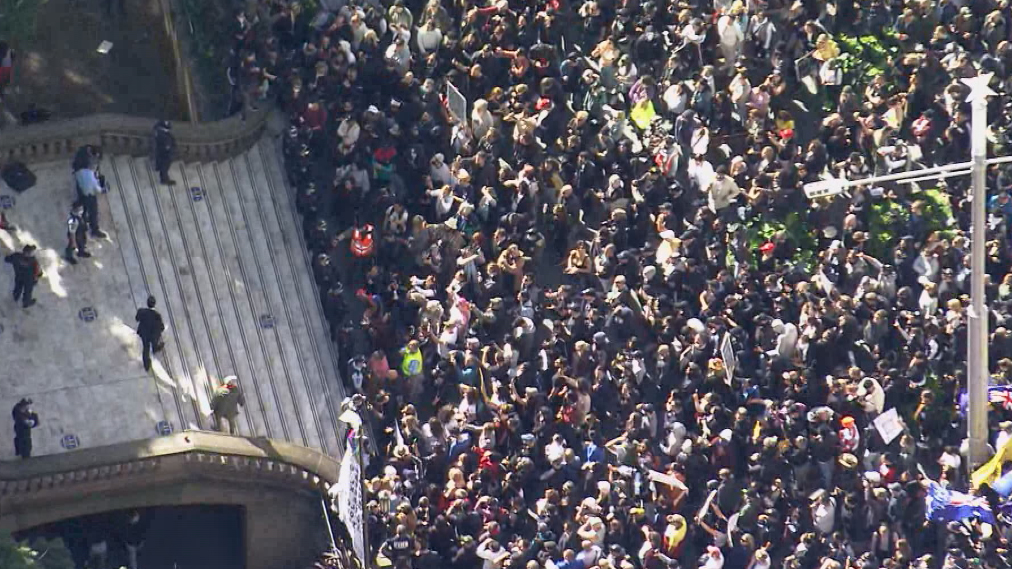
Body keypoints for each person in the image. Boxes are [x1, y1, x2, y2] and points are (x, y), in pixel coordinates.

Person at [74, 156, 107, 238]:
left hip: (82, 194)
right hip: (90, 195)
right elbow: (96, 188)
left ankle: (83, 224)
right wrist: (104, 189)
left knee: (84, 210)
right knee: (93, 212)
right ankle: (94, 230)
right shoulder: (90, 175)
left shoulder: (79, 172)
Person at [135, 295, 166, 371]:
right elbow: (162, 327)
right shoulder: (157, 316)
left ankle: (146, 365)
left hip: (144, 333)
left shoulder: (142, 311)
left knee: (146, 348)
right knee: (154, 341)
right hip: (153, 335)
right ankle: (155, 347)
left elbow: (137, 318)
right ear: (154, 304)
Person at [153, 120, 177, 185]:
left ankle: (164, 178)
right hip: (163, 153)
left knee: (165, 165)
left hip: (165, 152)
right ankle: (164, 179)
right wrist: (168, 147)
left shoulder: (162, 133)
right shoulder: (160, 133)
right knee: (164, 165)